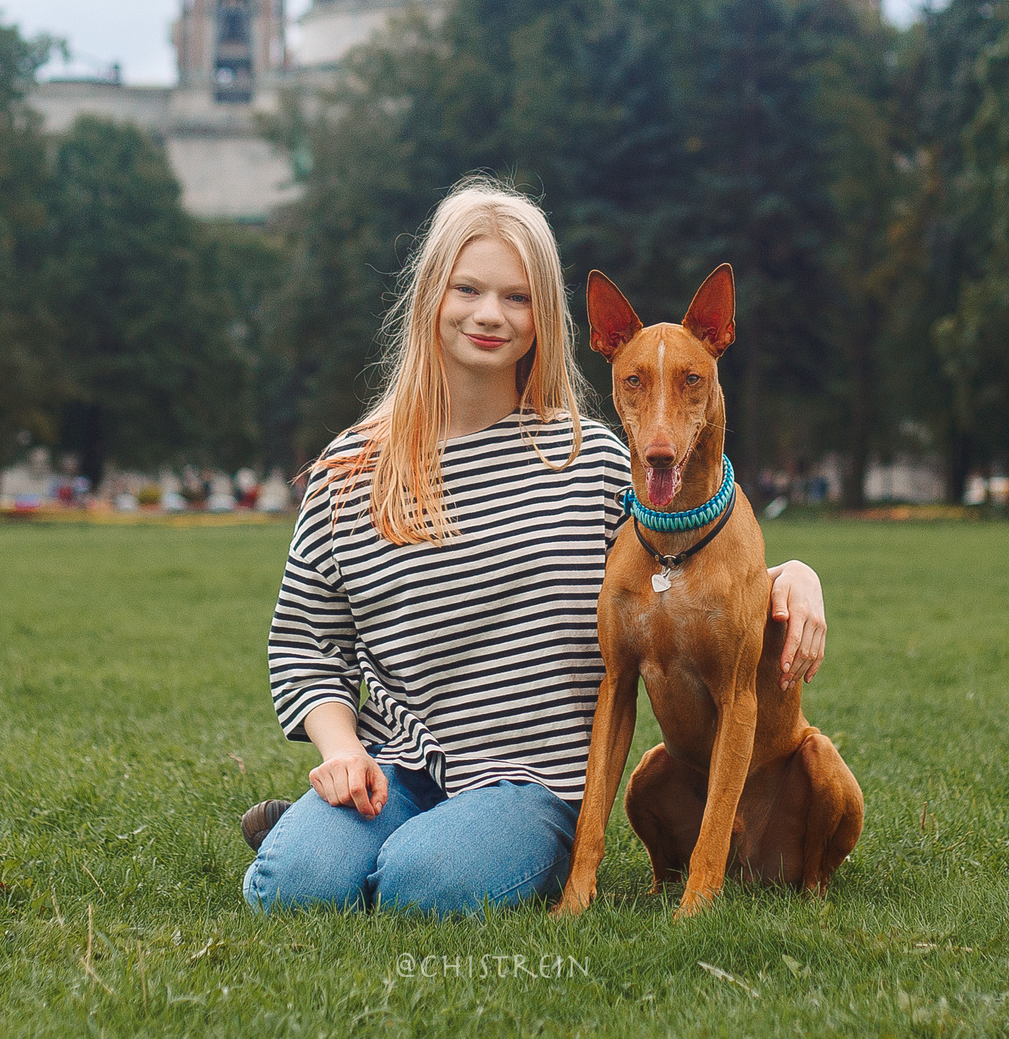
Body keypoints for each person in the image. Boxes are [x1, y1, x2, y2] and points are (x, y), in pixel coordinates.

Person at [239, 176, 830, 916]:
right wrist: (340, 750)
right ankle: (324, 842)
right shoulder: (350, 472)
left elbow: (693, 573)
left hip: (532, 787)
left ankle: (372, 849)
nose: (490, 313)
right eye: (468, 289)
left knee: (422, 887)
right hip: (393, 770)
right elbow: (305, 645)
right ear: (431, 297)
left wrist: (793, 573)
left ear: (544, 316)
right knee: (291, 889)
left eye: (516, 297)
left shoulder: (590, 462)